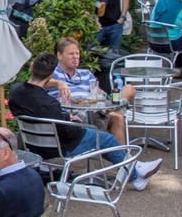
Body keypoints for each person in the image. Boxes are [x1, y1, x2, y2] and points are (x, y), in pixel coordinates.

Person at [9, 53, 163, 188]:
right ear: (51, 76)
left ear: (31, 68)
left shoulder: (15, 93)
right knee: (106, 139)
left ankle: (135, 167)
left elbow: (39, 115)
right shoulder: (50, 103)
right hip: (61, 147)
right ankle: (135, 176)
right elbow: (67, 132)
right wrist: (74, 123)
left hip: (34, 144)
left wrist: (65, 118)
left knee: (97, 134)